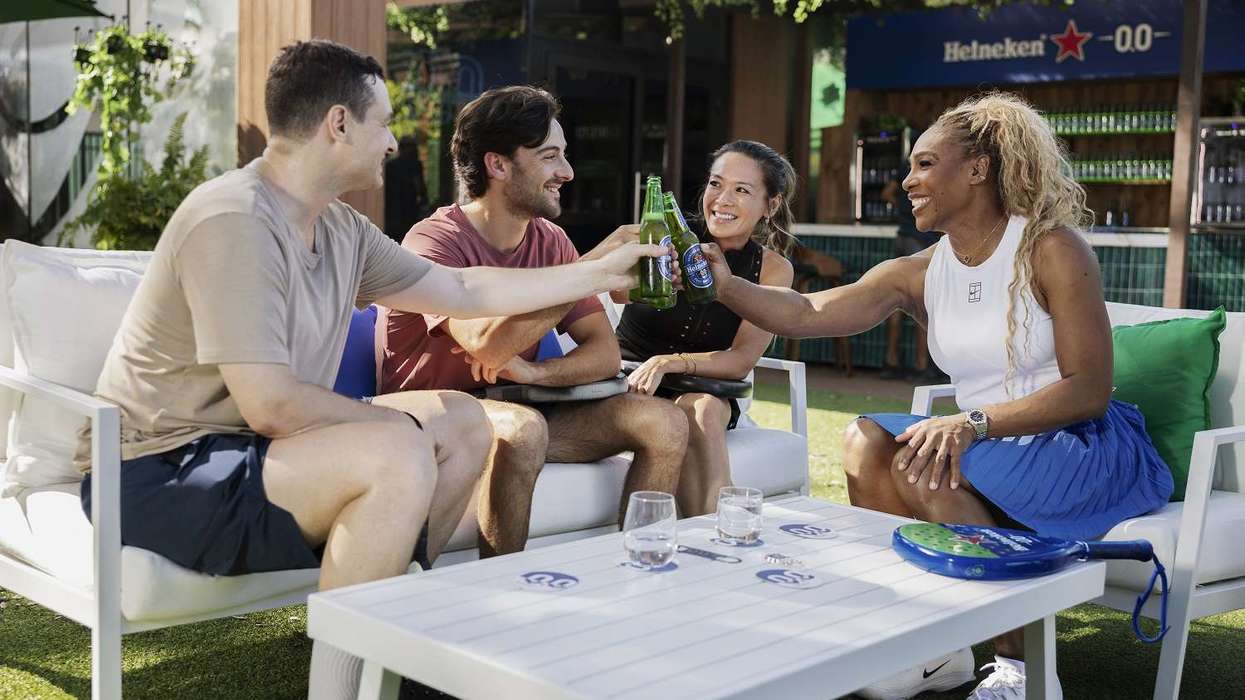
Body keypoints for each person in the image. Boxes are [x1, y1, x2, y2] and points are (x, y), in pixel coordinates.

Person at [78, 42, 665, 700]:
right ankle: (343, 686)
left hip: (255, 453)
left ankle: (393, 640)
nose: (392, 142)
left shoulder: (341, 230)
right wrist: (396, 432)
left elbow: (463, 289)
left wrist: (595, 271)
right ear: (339, 123)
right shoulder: (234, 219)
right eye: (383, 123)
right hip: (161, 471)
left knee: (462, 421)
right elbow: (271, 405)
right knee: (397, 450)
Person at [697, 93, 1173, 698]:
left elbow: (1089, 390)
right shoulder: (922, 270)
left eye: (925, 164)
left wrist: (972, 424)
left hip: (1077, 444)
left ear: (977, 170)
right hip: (984, 442)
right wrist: (725, 285)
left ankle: (1026, 669)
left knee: (924, 466)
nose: (907, 181)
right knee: (865, 440)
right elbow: (807, 311)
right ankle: (933, 644)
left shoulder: (1051, 248)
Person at [379, 85, 689, 557]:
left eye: (564, 155)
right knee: (524, 431)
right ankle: (503, 588)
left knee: (664, 422)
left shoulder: (552, 241)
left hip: (514, 402)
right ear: (498, 165)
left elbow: (604, 355)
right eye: (549, 157)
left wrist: (536, 373)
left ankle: (637, 570)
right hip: (434, 418)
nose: (567, 172)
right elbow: (488, 345)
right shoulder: (433, 241)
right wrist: (591, 271)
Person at [613, 140, 795, 516]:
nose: (722, 200)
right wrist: (649, 273)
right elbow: (614, 291)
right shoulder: (664, 237)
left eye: (741, 190)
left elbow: (741, 359)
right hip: (630, 382)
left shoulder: (773, 270)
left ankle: (717, 529)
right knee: (684, 413)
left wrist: (670, 362)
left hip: (705, 389)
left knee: (704, 409)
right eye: (716, 184)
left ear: (770, 205)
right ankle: (717, 527)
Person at [879, 178, 942, 381]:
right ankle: (922, 366)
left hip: (902, 237)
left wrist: (904, 210)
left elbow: (886, 193)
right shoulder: (932, 173)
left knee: (896, 302)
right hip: (920, 239)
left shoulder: (904, 172)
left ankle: (890, 362)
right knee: (923, 304)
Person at [383, 134, 431, 242]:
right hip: (399, 209)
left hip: (405, 209)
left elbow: (420, 187)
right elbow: (421, 188)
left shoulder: (395, 165)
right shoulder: (394, 166)